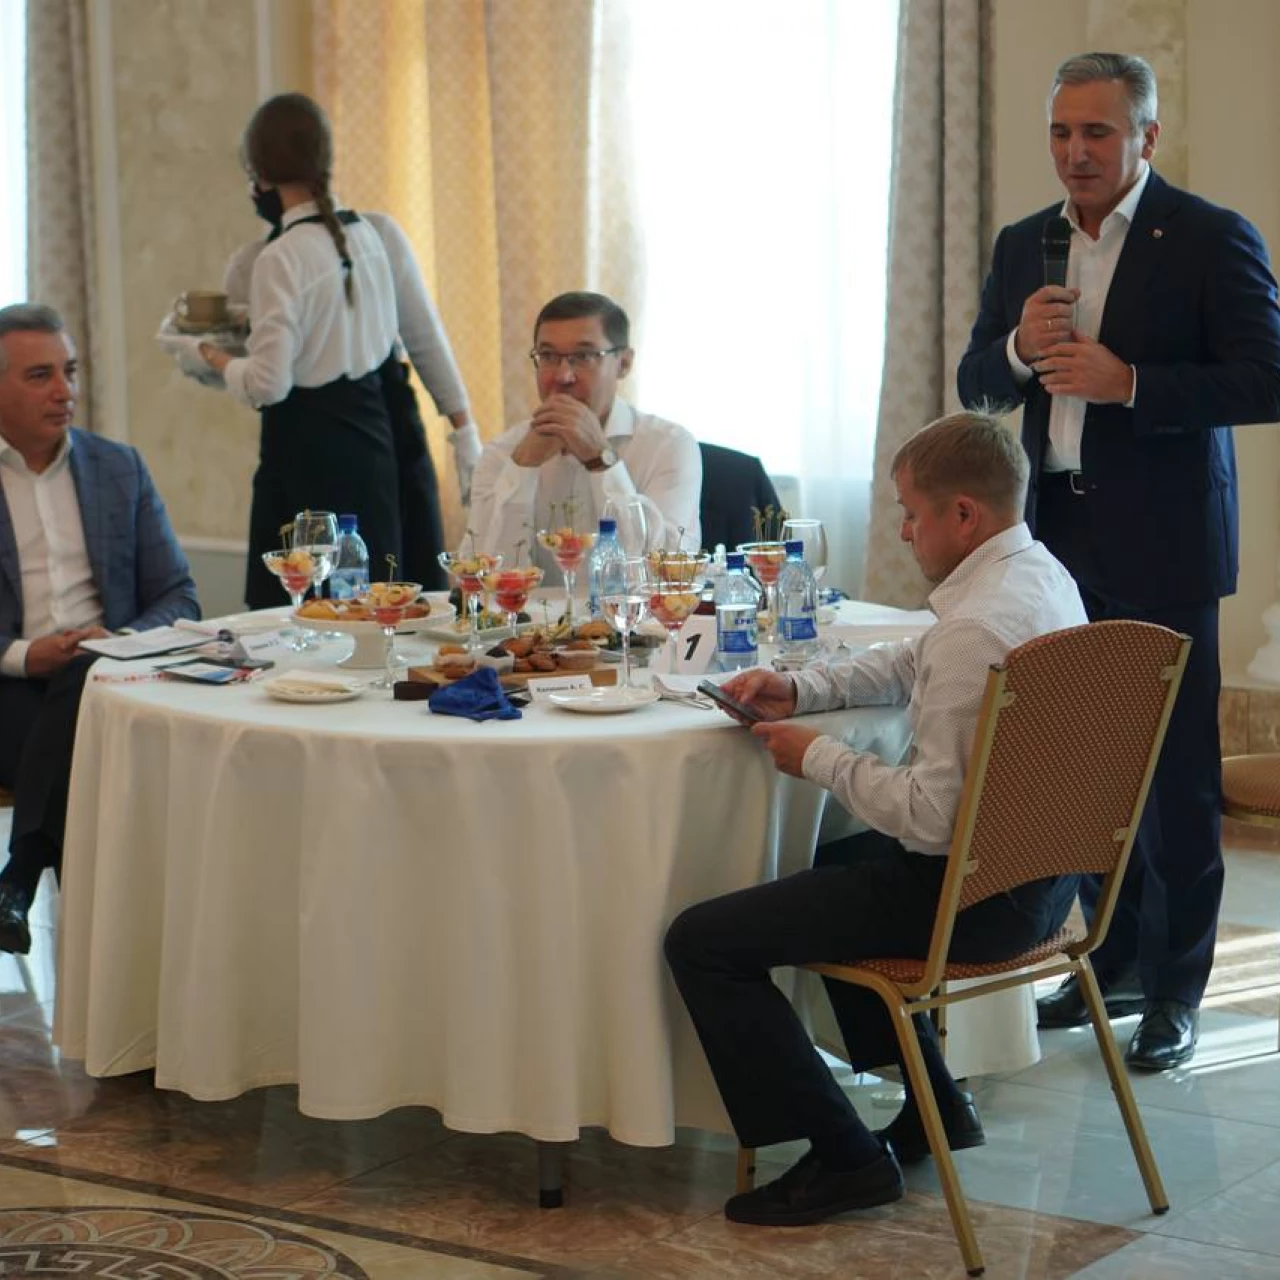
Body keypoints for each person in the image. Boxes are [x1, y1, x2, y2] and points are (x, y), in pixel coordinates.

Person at [665, 412, 1086, 1227]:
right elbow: (912, 661)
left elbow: (929, 821)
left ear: (963, 514)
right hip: (1041, 877)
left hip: (973, 901)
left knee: (702, 941)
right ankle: (938, 1107)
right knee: (829, 873)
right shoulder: (1035, 576)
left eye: (910, 513)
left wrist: (816, 757)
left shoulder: (975, 626)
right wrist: (802, 690)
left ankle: (845, 1158)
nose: (902, 531)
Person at [957, 53, 1280, 1071]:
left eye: (1097, 132)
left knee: (1176, 780)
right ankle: (1112, 961)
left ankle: (1176, 992)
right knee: (1088, 773)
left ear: (1146, 136)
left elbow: (1265, 376)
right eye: (1060, 132)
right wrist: (1017, 348)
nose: (1075, 152)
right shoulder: (1025, 243)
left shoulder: (1209, 236)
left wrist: (1129, 380)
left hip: (1165, 542)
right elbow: (976, 382)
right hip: (1055, 542)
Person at [201, 93, 475, 604]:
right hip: (373, 444)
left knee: (323, 604)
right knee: (379, 598)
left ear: (257, 172)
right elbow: (423, 339)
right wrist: (464, 432)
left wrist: (212, 358)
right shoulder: (360, 238)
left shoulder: (290, 256)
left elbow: (269, 382)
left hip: (323, 451)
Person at [0, 304, 199, 953]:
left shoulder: (119, 469)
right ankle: (119, 957)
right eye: (40, 376)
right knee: (91, 757)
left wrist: (120, 644)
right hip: (10, 686)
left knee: (88, 684)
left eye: (71, 371)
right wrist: (25, 655)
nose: (65, 391)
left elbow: (178, 594)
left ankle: (18, 879)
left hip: (111, 675)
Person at [468, 292, 701, 569]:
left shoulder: (668, 446)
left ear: (624, 363)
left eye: (584, 356)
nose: (563, 376)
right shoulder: (502, 452)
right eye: (548, 356)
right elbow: (480, 575)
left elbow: (665, 570)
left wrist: (601, 460)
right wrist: (521, 469)